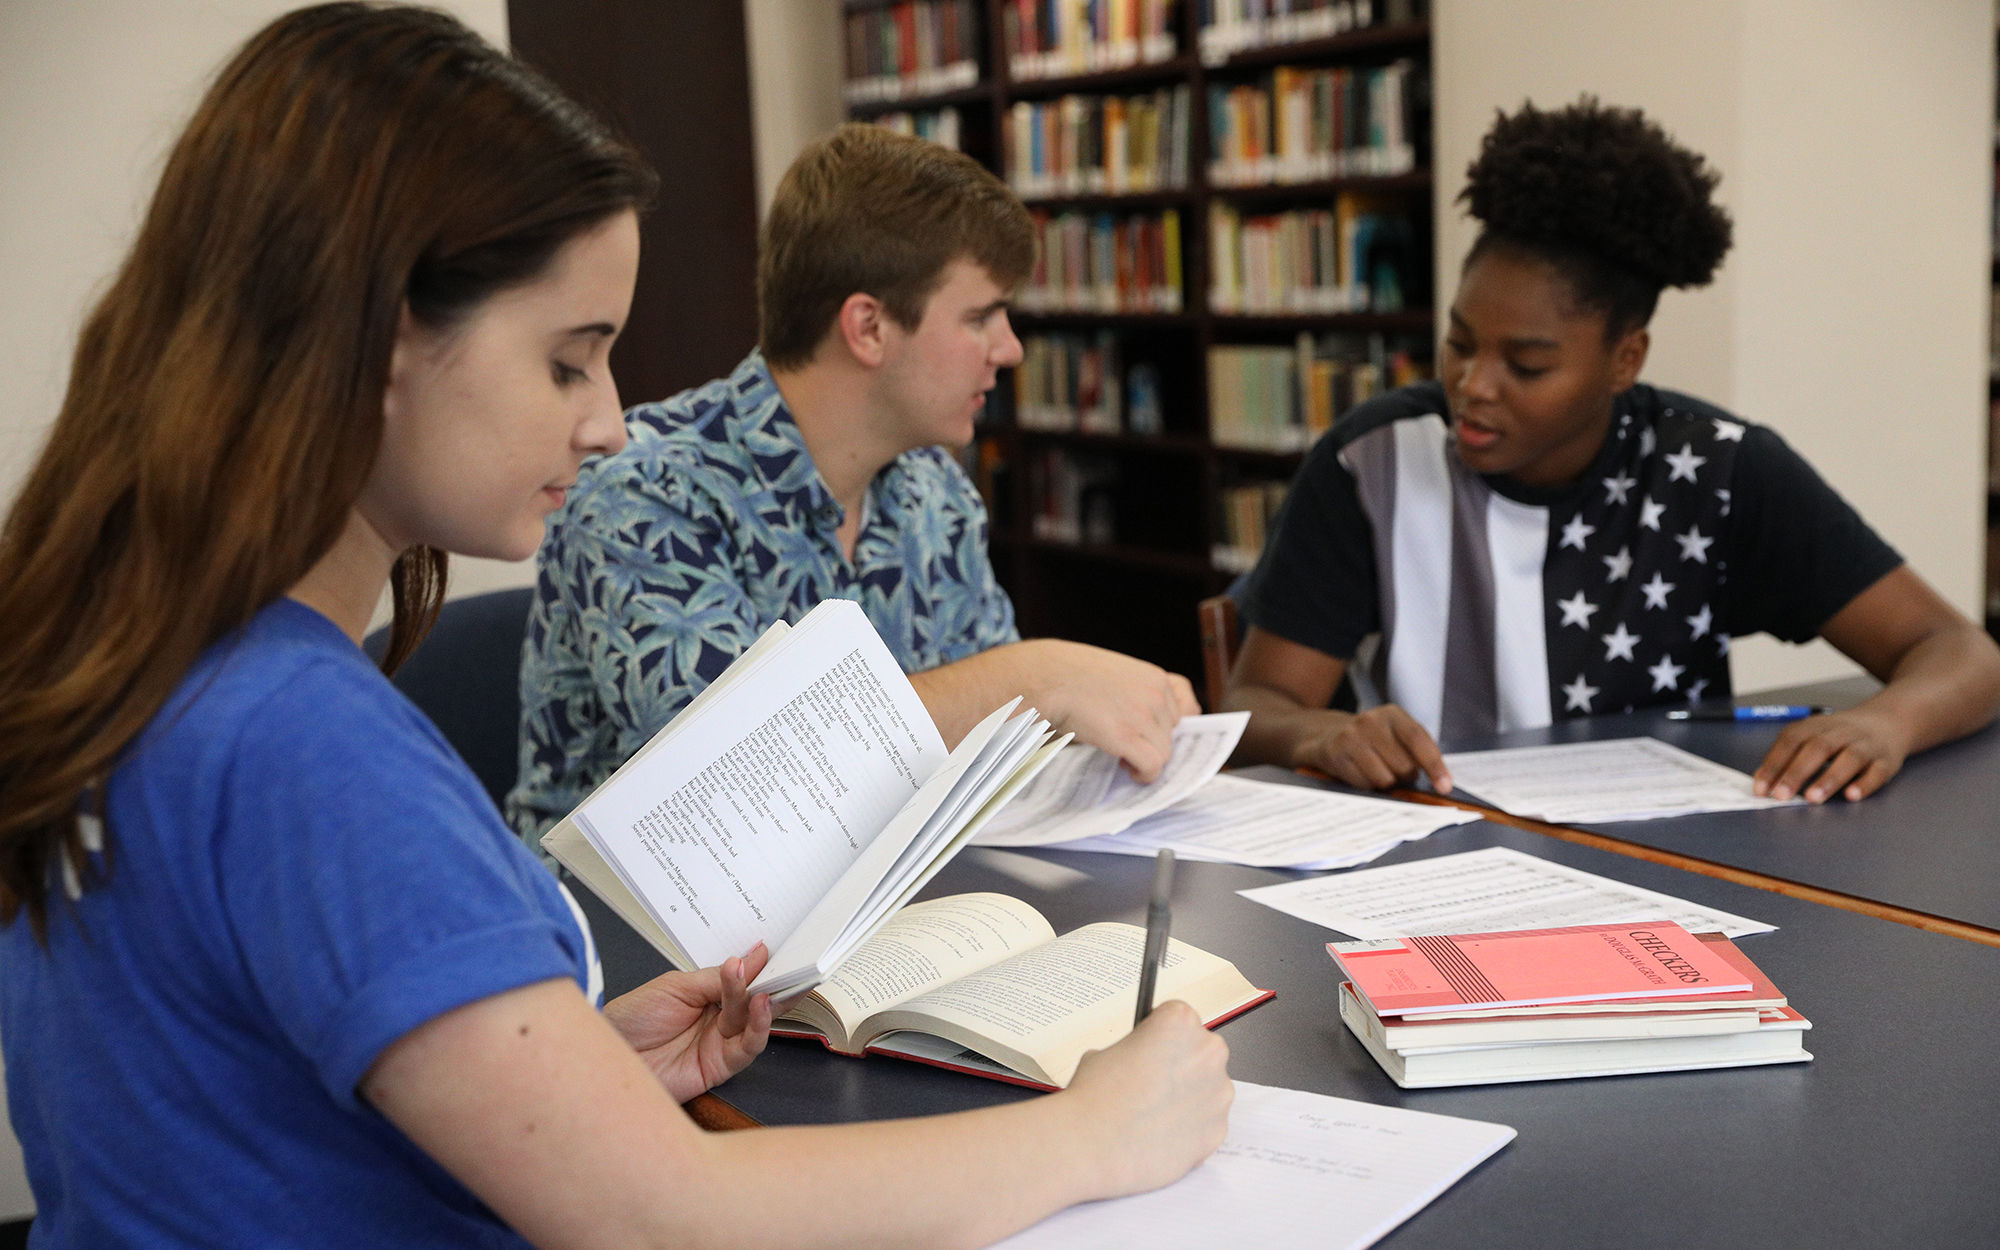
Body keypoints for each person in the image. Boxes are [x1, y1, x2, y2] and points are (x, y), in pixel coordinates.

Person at [0, 8, 1231, 1247]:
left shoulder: (156, 666)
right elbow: (661, 1217)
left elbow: (249, 1123)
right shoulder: (303, 745)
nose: (602, 421)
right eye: (567, 361)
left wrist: (580, 1072)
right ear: (380, 338)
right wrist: (1093, 1131)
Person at [1224, 97, 2000, 806]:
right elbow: (1254, 700)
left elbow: (1961, 651)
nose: (1473, 385)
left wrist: (1884, 724)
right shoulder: (1375, 463)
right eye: (1458, 342)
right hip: (1428, 855)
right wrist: (1320, 733)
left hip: (1673, 865)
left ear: (1625, 360)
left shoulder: (1719, 471)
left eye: (1526, 365)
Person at [508, 123, 1198, 844]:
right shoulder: (641, 489)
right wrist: (1037, 678)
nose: (1010, 348)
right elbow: (738, 785)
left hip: (881, 906)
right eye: (981, 316)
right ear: (868, 327)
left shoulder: (935, 491)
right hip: (632, 943)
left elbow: (993, 763)